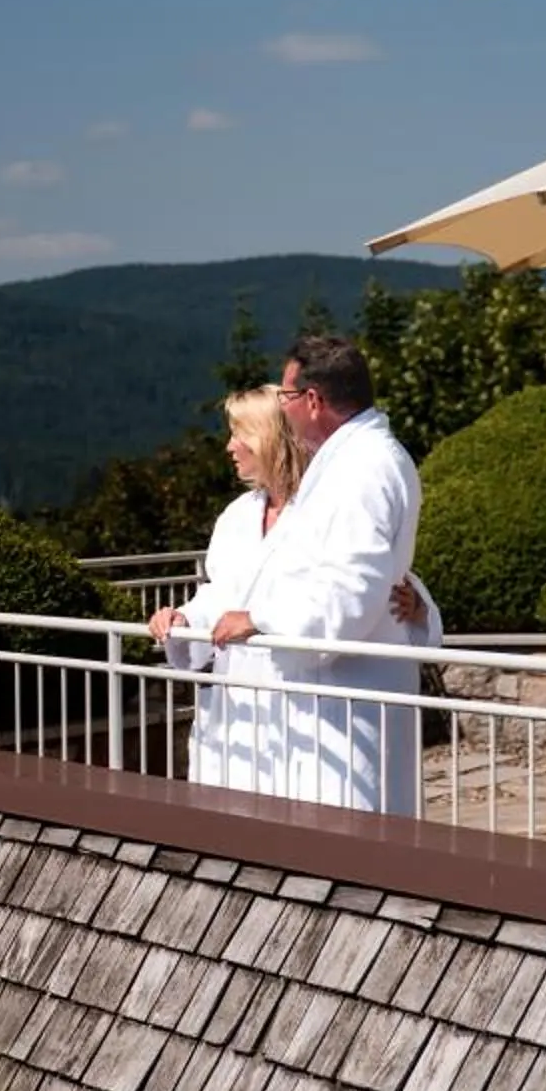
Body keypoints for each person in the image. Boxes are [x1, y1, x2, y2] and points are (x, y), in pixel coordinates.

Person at [151, 381, 437, 797]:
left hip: (312, 698)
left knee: (314, 807)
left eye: (240, 434)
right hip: (242, 701)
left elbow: (361, 583)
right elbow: (222, 592)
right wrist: (185, 618)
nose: (230, 447)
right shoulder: (236, 517)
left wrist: (419, 606)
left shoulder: (327, 508)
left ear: (270, 438)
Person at [203, 332, 428, 814]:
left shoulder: (362, 470)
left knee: (349, 833)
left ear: (312, 400)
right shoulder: (351, 464)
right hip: (328, 699)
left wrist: (261, 618)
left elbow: (350, 591)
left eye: (285, 397)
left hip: (348, 703)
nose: (282, 410)